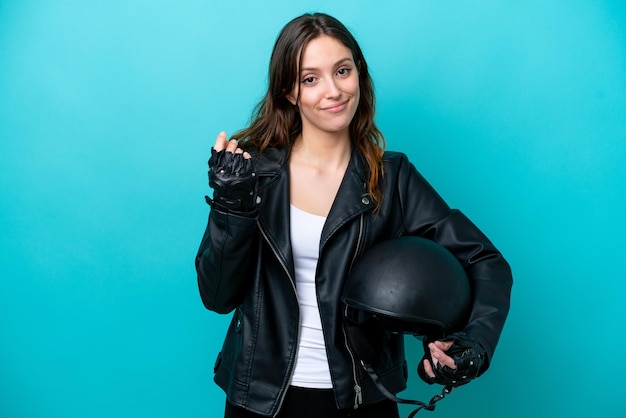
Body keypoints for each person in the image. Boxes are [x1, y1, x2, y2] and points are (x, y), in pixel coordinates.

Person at [195, 12, 512, 418]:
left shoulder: (392, 177)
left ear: (358, 74)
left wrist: (473, 341)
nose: (333, 90)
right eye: (311, 78)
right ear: (289, 91)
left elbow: (486, 261)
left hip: (363, 398)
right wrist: (231, 208)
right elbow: (216, 296)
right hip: (260, 399)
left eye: (342, 71)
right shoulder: (253, 174)